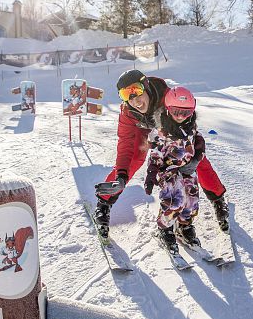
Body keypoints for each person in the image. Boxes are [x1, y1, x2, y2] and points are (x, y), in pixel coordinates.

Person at [94, 69, 229, 241]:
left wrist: (195, 154)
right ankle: (104, 203)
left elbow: (189, 130)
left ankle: (218, 199)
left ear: (146, 86)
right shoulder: (128, 112)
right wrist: (121, 175)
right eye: (126, 94)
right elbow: (125, 145)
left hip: (167, 126)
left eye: (137, 90)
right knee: (134, 159)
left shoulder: (167, 99)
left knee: (195, 158)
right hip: (142, 128)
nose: (134, 100)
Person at [144, 86, 204, 254]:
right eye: (176, 111)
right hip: (168, 170)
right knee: (175, 200)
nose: (180, 116)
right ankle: (164, 228)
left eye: (185, 112)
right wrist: (151, 173)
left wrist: (199, 151)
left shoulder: (190, 124)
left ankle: (184, 226)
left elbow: (197, 138)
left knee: (191, 200)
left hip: (186, 168)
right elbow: (155, 153)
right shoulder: (161, 131)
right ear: (168, 109)